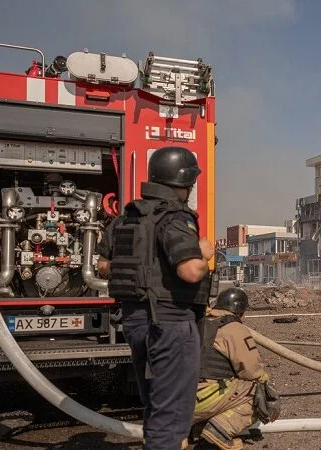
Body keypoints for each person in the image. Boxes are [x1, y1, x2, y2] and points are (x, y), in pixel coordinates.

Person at [96, 146, 215, 450]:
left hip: (136, 320)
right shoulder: (174, 217)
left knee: (156, 404)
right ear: (181, 182)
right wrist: (204, 255)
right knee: (173, 413)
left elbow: (103, 265)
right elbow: (189, 271)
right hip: (171, 321)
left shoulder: (127, 218)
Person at [190, 287, 280, 450]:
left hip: (176, 399)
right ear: (241, 312)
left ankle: (200, 428)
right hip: (201, 399)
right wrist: (268, 390)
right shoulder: (233, 328)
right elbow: (251, 370)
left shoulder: (198, 322)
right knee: (257, 392)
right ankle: (219, 430)